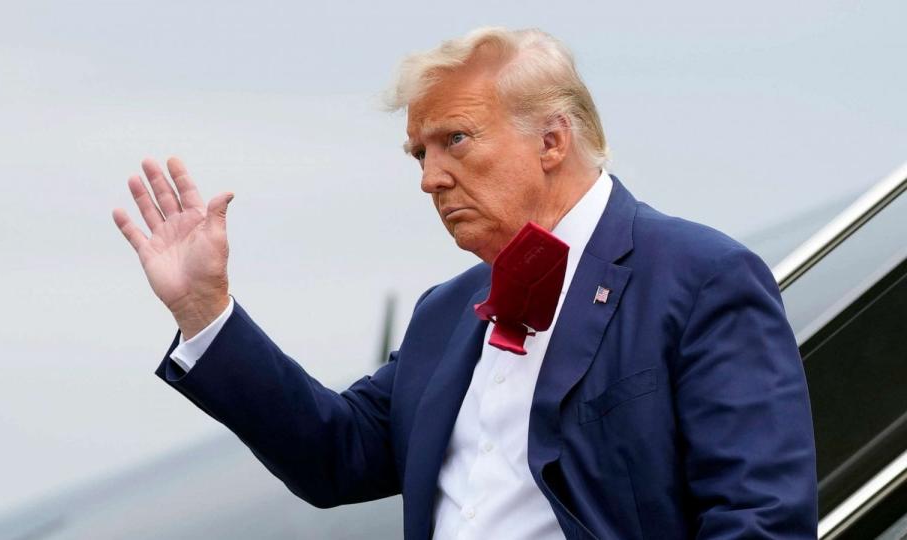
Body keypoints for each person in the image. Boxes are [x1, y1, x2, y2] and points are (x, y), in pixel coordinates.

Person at [112, 27, 817, 539]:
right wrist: (203, 308)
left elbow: (761, 521)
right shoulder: (446, 312)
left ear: (552, 140)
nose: (429, 177)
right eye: (418, 152)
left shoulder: (701, 278)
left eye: (456, 140)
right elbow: (334, 456)